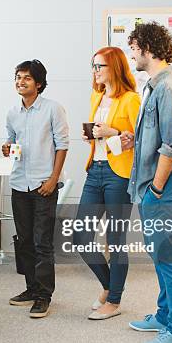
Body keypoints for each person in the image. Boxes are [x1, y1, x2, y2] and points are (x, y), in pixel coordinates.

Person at [126, 21, 172, 343]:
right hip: (152, 187)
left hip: (160, 189)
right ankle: (165, 315)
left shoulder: (168, 88)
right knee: (159, 254)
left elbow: (171, 146)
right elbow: (152, 139)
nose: (132, 54)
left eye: (134, 48)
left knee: (167, 258)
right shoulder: (153, 85)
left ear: (148, 49)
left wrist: (154, 190)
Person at [75, 47, 140, 320]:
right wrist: (91, 136)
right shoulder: (97, 95)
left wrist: (114, 132)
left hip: (119, 175)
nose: (95, 71)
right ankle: (109, 285)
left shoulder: (131, 100)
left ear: (114, 67)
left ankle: (114, 301)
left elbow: (142, 138)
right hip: (96, 171)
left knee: (115, 240)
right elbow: (99, 135)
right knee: (81, 237)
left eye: (99, 66)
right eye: (93, 66)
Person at [3, 59, 69, 318]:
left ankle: (44, 295)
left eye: (27, 78)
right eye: (18, 77)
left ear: (38, 84)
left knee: (43, 242)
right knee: (25, 240)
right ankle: (31, 288)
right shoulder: (12, 113)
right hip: (19, 182)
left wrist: (53, 179)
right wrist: (7, 147)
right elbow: (12, 141)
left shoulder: (53, 109)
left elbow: (62, 145)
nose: (21, 81)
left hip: (44, 184)